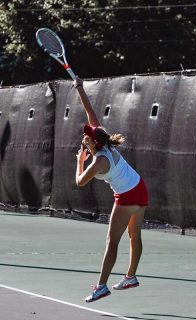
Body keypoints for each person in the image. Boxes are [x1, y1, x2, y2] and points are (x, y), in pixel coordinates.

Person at [73, 77, 149, 303]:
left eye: (88, 136)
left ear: (94, 143)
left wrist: (80, 161)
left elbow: (79, 182)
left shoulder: (99, 162)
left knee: (112, 241)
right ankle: (131, 277)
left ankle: (101, 286)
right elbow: (89, 111)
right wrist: (79, 88)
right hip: (140, 187)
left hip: (127, 196)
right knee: (134, 235)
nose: (85, 135)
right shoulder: (103, 141)